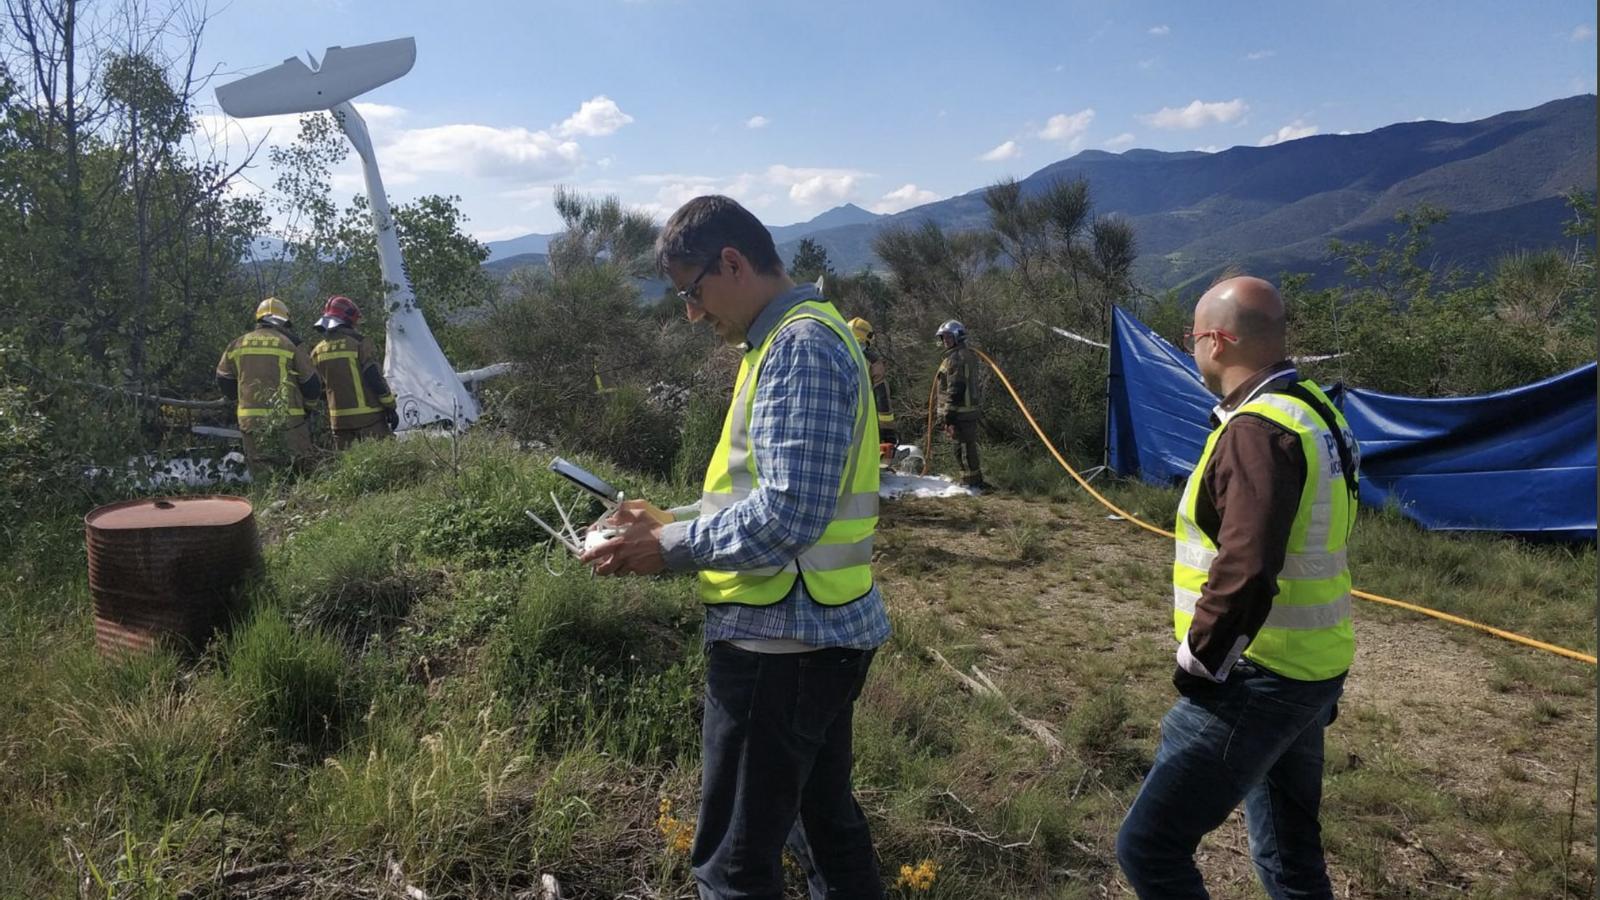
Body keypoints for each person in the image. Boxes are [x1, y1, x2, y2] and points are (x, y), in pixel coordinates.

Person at [580, 195, 889, 900]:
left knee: (732, 868)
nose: (691, 313)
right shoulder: (789, 339)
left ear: (732, 261)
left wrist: (668, 548)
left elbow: (788, 516)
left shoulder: (799, 347)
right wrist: (670, 518)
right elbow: (772, 493)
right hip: (813, 633)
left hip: (781, 643)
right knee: (825, 829)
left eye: (692, 292)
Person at [1116, 274, 1360, 899]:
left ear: (1218, 342)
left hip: (1256, 674)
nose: (1192, 349)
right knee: (1288, 852)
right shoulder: (1313, 408)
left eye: (1194, 338)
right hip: (1311, 664)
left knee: (1150, 845)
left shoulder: (1256, 430)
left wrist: (1200, 660)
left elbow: (1247, 566)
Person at [216, 297, 321, 476]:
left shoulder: (237, 343)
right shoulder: (290, 344)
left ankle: (265, 501)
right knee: (300, 471)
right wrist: (308, 408)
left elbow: (223, 378)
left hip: (250, 422)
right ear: (283, 322)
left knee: (262, 474)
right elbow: (311, 383)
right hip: (290, 422)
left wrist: (238, 399)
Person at [310, 295, 398, 448]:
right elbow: (374, 377)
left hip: (338, 422)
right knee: (385, 458)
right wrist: (390, 405)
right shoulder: (359, 343)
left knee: (348, 464)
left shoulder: (317, 351)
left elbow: (318, 388)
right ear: (349, 319)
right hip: (369, 419)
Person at [934, 319, 985, 488]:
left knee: (961, 448)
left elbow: (955, 388)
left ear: (958, 337)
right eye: (944, 338)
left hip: (959, 413)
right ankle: (973, 480)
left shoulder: (956, 358)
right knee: (966, 446)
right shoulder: (965, 355)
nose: (945, 341)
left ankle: (970, 483)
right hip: (965, 412)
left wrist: (949, 416)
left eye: (949, 337)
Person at [848, 316, 897, 447]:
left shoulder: (833, 354)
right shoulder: (872, 361)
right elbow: (882, 396)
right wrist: (887, 430)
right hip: (864, 425)